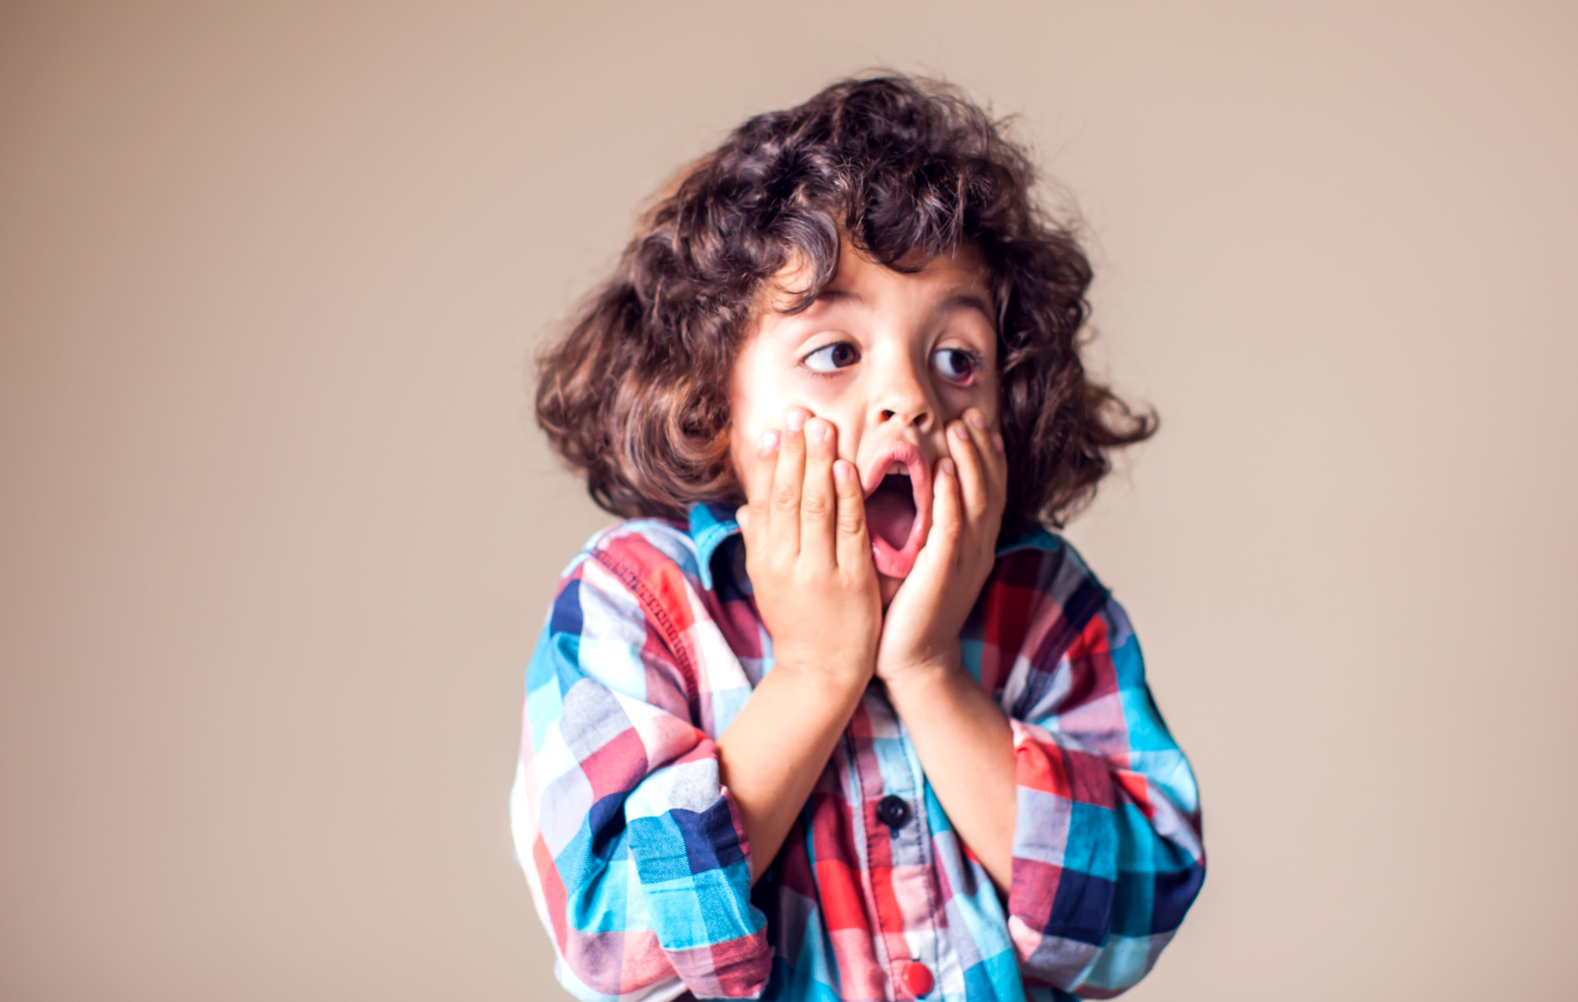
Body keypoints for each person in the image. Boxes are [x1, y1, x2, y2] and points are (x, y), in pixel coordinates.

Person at [513, 75, 1204, 1002]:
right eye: (836, 352)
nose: (912, 398)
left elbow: (1137, 912)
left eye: (957, 358)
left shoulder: (1045, 606)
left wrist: (929, 673)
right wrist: (812, 675)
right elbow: (609, 936)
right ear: (713, 403)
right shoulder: (635, 603)